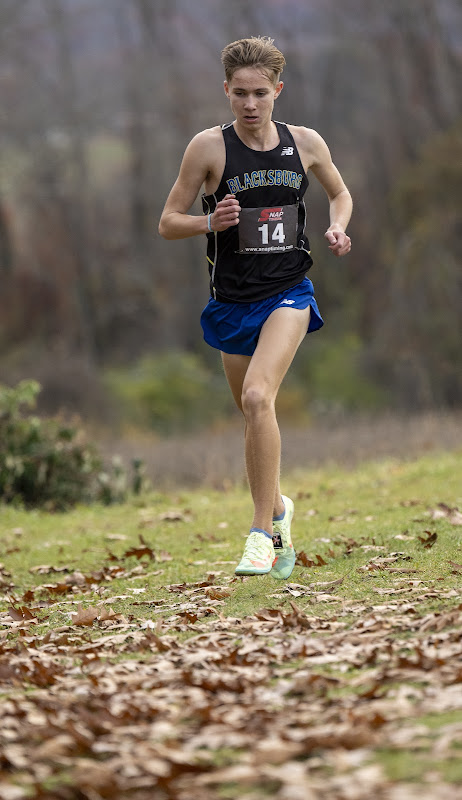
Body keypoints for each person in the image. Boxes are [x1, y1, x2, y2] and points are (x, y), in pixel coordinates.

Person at [159, 36, 352, 580]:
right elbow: (168, 221)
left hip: (289, 292)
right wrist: (208, 222)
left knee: (257, 396)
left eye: (260, 94)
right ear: (225, 90)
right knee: (253, 415)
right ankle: (280, 511)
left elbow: (340, 193)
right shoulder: (208, 148)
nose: (249, 104)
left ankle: (260, 536)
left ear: (277, 91)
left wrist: (338, 227)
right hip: (231, 301)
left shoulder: (305, 142)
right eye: (239, 93)